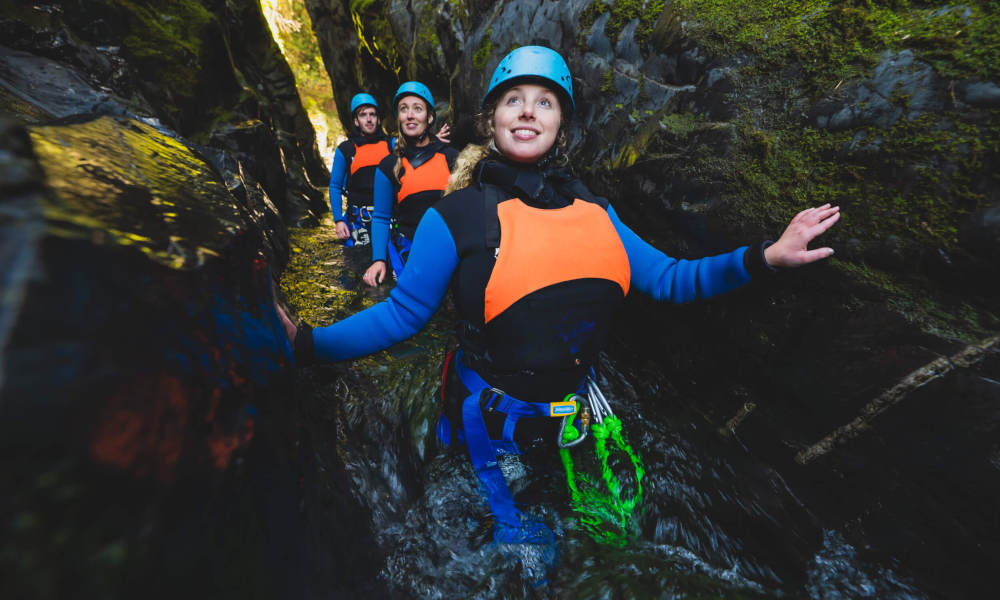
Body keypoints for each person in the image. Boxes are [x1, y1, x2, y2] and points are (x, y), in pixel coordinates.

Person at [279, 46, 840, 545]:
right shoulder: (457, 217)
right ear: (491, 121)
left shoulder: (599, 215)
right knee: (529, 565)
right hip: (493, 430)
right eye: (513, 100)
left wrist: (766, 256)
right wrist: (308, 343)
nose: (527, 110)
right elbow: (401, 317)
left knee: (615, 547)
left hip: (579, 420)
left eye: (544, 101)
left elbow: (671, 278)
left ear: (562, 127)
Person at [363, 82, 458, 286]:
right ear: (399, 118)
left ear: (429, 117)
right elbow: (380, 217)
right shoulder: (388, 166)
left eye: (417, 108)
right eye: (403, 109)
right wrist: (378, 260)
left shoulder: (452, 158)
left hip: (449, 252)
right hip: (408, 255)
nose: (410, 115)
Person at [329, 93, 393, 246]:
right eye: (363, 115)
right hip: (358, 221)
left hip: (389, 217)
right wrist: (338, 221)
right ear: (356, 121)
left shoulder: (392, 145)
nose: (369, 119)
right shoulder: (345, 149)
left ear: (378, 119)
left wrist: (434, 140)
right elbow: (335, 186)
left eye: (372, 114)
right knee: (357, 264)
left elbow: (416, 150)